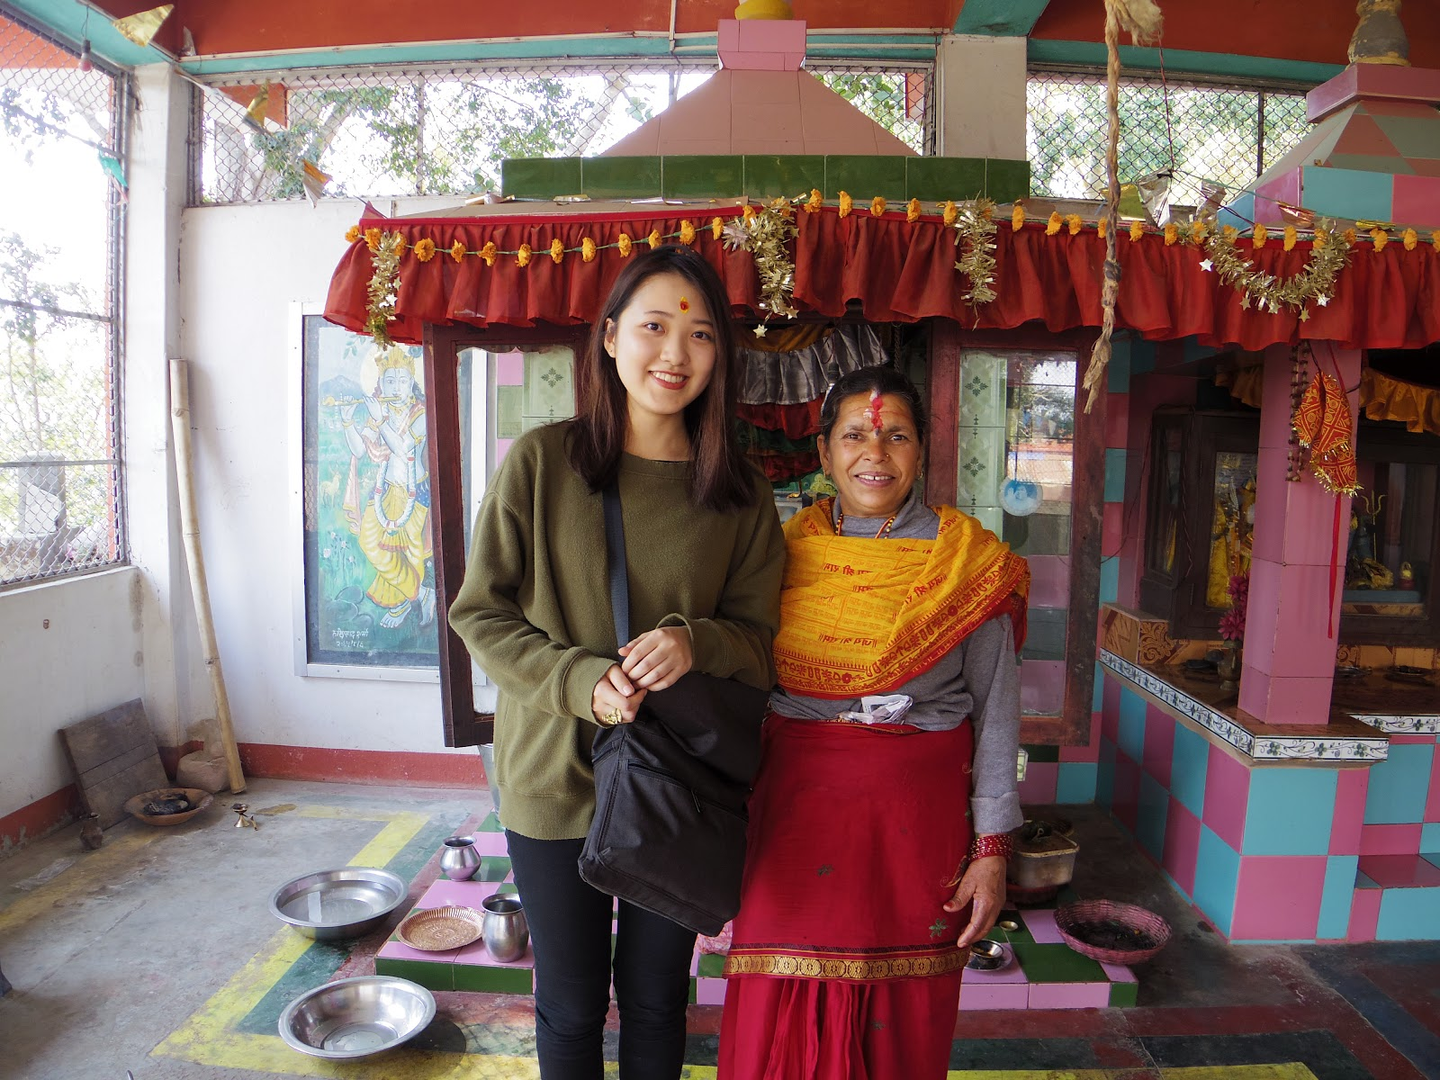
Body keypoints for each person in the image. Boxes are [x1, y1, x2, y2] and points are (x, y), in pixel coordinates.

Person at [449, 244, 786, 1080]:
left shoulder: (740, 495)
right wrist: (578, 681)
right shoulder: (542, 465)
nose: (675, 354)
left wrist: (695, 641)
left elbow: (759, 643)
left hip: (676, 786)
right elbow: (479, 613)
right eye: (654, 327)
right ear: (609, 337)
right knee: (568, 1007)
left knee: (656, 999)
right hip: (553, 777)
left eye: (700, 334)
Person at [718, 365, 1029, 1080]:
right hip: (792, 818)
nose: (875, 454)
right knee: (777, 996)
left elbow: (997, 713)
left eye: (897, 437)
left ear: (922, 451)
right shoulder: (777, 555)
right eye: (855, 435)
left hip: (914, 827)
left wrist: (992, 849)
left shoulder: (968, 566)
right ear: (824, 453)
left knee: (902, 1022)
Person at [340, 346, 436, 628]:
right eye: (390, 380)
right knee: (369, 542)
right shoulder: (380, 412)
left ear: (412, 382)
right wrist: (347, 420)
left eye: (402, 380)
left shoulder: (421, 413)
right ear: (381, 382)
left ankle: (402, 603)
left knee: (410, 553)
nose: (396, 387)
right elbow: (359, 450)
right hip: (384, 490)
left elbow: (402, 448)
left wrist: (380, 419)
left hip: (414, 492)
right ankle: (420, 594)